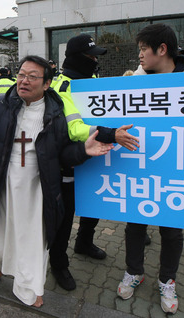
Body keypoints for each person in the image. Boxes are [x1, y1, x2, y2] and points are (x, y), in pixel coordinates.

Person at [0, 55, 113, 307]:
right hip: (3, 184)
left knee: (31, 238)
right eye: (21, 75)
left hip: (37, 189)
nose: (24, 81)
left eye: (32, 77)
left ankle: (29, 286)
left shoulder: (56, 113)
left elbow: (62, 155)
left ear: (46, 84)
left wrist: (84, 150)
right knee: (0, 228)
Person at [49, 34, 140, 291]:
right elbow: (74, 128)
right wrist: (112, 134)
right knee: (64, 218)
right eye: (91, 57)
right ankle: (58, 264)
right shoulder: (62, 87)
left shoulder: (93, 81)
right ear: (77, 58)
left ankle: (84, 243)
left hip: (97, 157)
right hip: (70, 162)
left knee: (95, 205)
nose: (94, 61)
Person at [118, 24, 184, 314]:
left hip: (177, 170)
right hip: (141, 167)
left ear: (162, 50)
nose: (139, 55)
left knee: (172, 231)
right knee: (135, 224)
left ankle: (167, 279)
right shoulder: (133, 83)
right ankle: (134, 271)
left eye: (143, 49)